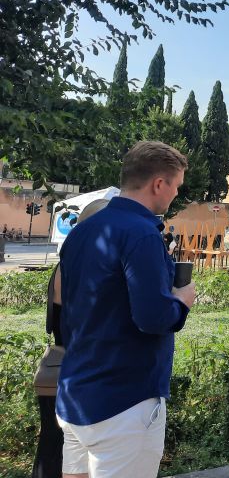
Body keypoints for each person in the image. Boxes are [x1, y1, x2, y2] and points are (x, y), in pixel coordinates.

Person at [56, 141, 196, 478]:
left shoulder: (82, 231)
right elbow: (152, 318)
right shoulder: (142, 235)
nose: (175, 195)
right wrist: (181, 301)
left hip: (76, 392)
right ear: (158, 184)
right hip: (124, 402)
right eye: (175, 186)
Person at [31, 198, 110, 478]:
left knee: (53, 447)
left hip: (64, 367)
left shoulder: (67, 262)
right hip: (80, 372)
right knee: (66, 453)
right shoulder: (85, 267)